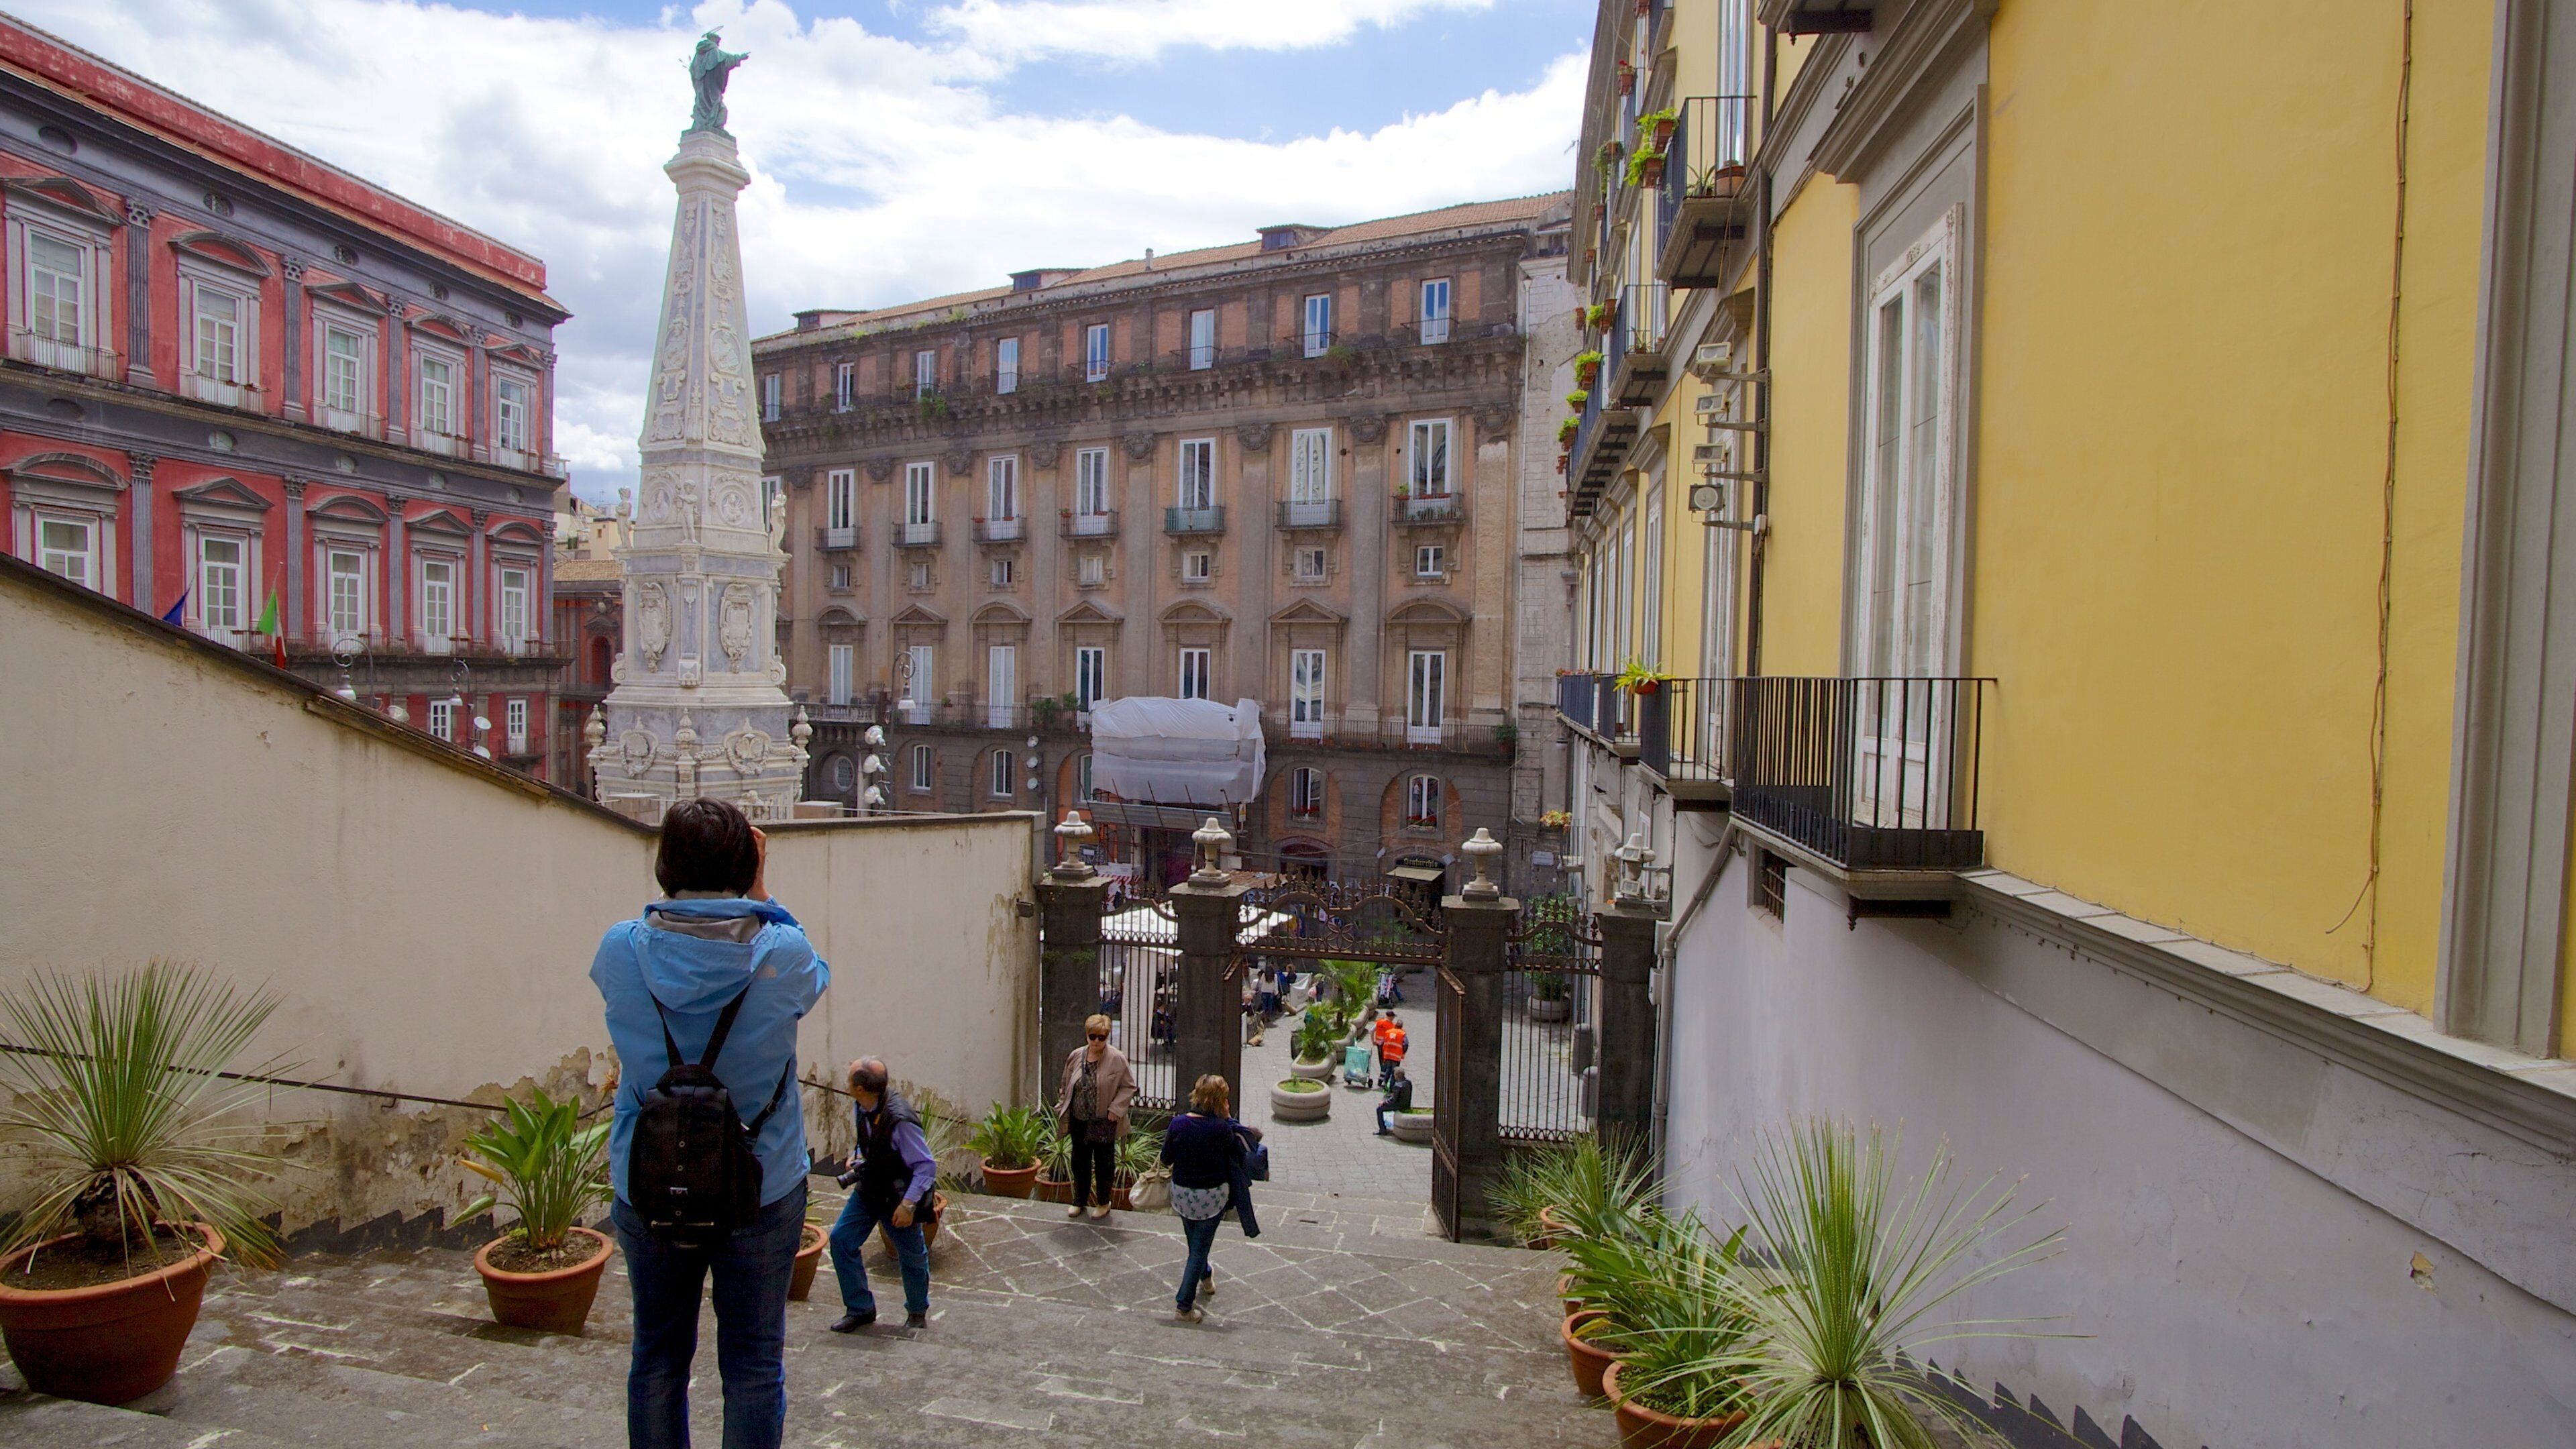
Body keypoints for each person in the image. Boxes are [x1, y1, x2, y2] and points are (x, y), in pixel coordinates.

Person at [592, 798, 827, 1449]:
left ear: (665, 864)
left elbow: (642, 942)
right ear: (745, 862)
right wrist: (759, 891)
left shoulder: (620, 952)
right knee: (753, 1364)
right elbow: (813, 974)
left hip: (650, 1181)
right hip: (761, 1185)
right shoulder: (782, 955)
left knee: (657, 1359)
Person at [826, 1057, 937, 1332]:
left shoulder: (900, 1120)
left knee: (911, 1255)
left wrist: (909, 1205)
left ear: (861, 1089)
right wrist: (860, 1160)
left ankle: (916, 1312)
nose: (846, 1080)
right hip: (870, 1190)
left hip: (898, 1198)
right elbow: (875, 1142)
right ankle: (860, 1308)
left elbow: (926, 1166)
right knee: (841, 1240)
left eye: (850, 1077)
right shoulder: (862, 1106)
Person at [1161, 1075, 1260, 1323]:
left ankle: (1205, 1276)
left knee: (1195, 1243)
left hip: (1183, 1195)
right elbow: (1245, 1152)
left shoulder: (1178, 1124)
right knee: (1198, 1249)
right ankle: (1184, 1306)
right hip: (1211, 1198)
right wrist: (1229, 1119)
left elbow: (1165, 1158)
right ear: (1221, 1102)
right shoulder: (1222, 1130)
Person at [1053, 1012, 1134, 1222]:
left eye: (1102, 1037)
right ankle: (1079, 1200)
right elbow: (1066, 1081)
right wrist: (1063, 1102)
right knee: (1079, 1160)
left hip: (1103, 1121)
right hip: (1079, 1117)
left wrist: (1115, 1109)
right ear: (1087, 1036)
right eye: (1093, 1036)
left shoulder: (1117, 1058)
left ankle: (1103, 1201)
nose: (1097, 1041)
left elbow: (1129, 1087)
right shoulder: (1076, 1056)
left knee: (1104, 1162)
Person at [1375, 1066, 1415, 1136]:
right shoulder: (1409, 1083)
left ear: (1396, 1075)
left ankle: (1382, 1130)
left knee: (1379, 1109)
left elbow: (1393, 1101)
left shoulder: (1397, 1086)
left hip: (1398, 1106)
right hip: (1406, 1104)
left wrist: (1384, 1103)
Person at [1374, 1012, 1409, 1089]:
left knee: (1388, 1069)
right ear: (1401, 1027)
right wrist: (1403, 1053)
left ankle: (1385, 1082)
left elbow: (1382, 1042)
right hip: (1396, 1056)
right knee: (1394, 1071)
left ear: (1396, 1025)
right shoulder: (1402, 1034)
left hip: (1387, 1055)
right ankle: (1392, 1087)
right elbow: (1406, 1044)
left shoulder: (1388, 1032)